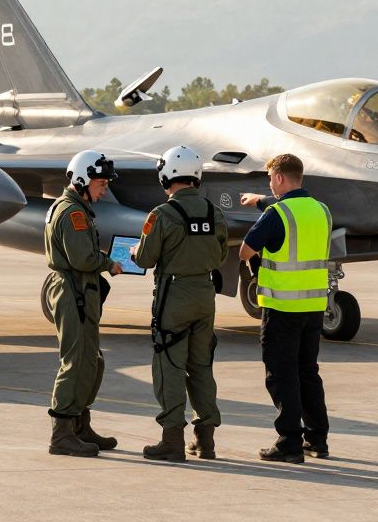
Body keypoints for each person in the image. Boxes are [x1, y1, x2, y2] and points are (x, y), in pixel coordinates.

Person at [130, 146, 227, 462]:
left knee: (169, 366)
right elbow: (221, 254)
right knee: (200, 366)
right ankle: (205, 439)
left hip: (174, 295)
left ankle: (172, 439)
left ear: (165, 174)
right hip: (205, 294)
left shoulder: (161, 215)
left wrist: (133, 253)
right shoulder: (214, 213)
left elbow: (146, 257)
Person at [239, 153, 333, 463]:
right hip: (314, 306)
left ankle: (289, 441)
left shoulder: (277, 213)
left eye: (270, 179)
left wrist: (263, 210)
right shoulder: (322, 210)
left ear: (279, 178)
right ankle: (317, 439)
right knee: (308, 372)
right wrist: (260, 201)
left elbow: (245, 251)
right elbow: (293, 212)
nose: (269, 184)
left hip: (282, 307)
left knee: (281, 375)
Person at [44, 149, 124, 457]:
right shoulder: (73, 213)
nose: (105, 188)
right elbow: (82, 258)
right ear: (82, 179)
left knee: (93, 360)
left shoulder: (76, 208)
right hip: (72, 290)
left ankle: (80, 424)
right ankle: (62, 434)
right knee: (76, 361)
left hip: (81, 290)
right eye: (101, 183)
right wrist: (109, 263)